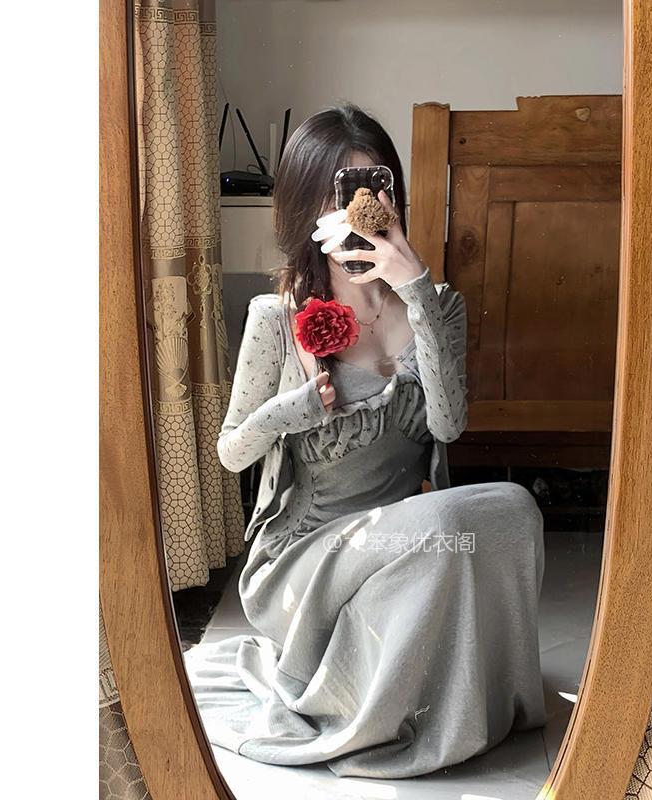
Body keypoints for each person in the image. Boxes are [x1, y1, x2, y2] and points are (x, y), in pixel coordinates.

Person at [183, 103, 547, 779]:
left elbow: (447, 426)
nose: (358, 210)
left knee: (514, 510)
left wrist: (416, 292)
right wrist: (296, 409)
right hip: (306, 556)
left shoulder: (437, 303)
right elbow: (231, 451)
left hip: (407, 536)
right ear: (306, 208)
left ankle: (476, 696)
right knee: (443, 528)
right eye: (338, 195)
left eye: (372, 189)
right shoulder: (276, 316)